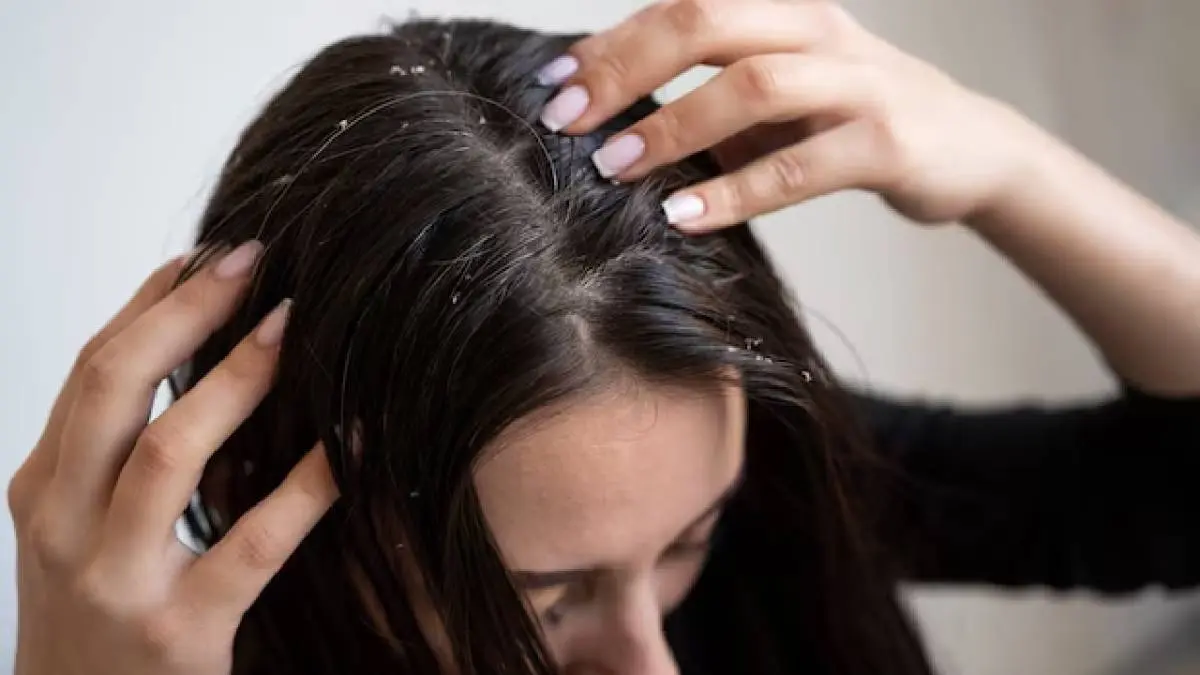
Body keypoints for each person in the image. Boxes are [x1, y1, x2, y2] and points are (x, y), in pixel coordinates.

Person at [8, 4, 1200, 675]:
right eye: (547, 599)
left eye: (690, 542)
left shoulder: (769, 504)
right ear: (270, 496)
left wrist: (1004, 164)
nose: (651, 663)